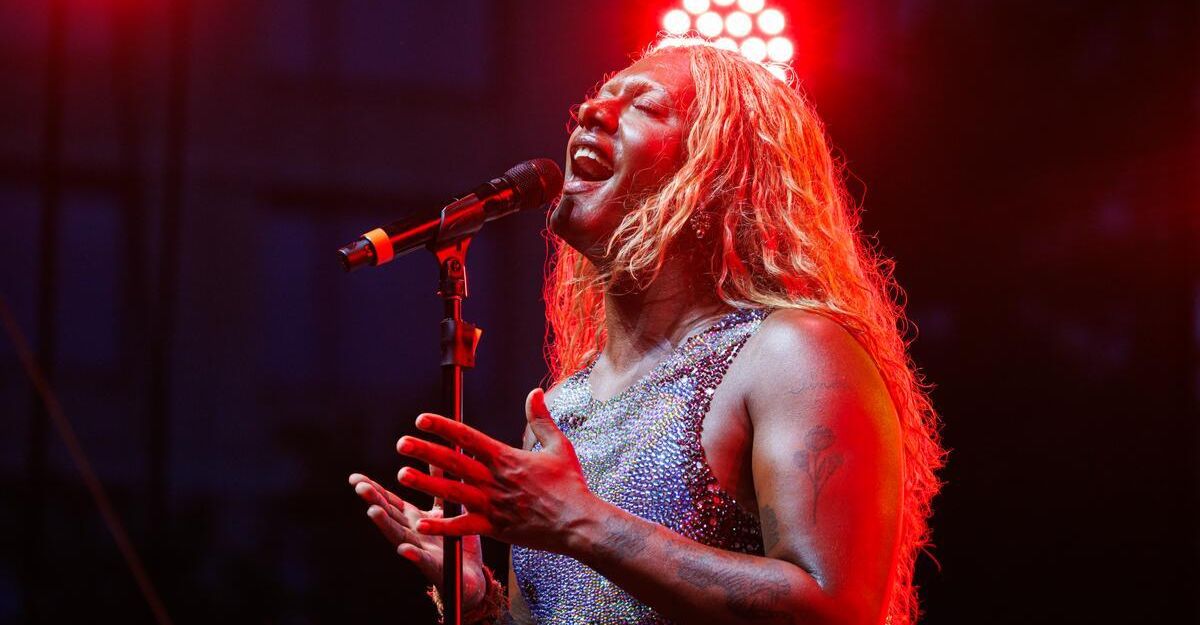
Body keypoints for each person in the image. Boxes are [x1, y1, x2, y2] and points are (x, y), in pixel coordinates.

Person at [349, 37, 943, 625]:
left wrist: (580, 521)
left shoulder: (790, 353)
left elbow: (835, 610)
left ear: (717, 175)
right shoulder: (561, 412)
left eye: (645, 105)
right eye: (595, 101)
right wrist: (481, 605)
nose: (588, 113)